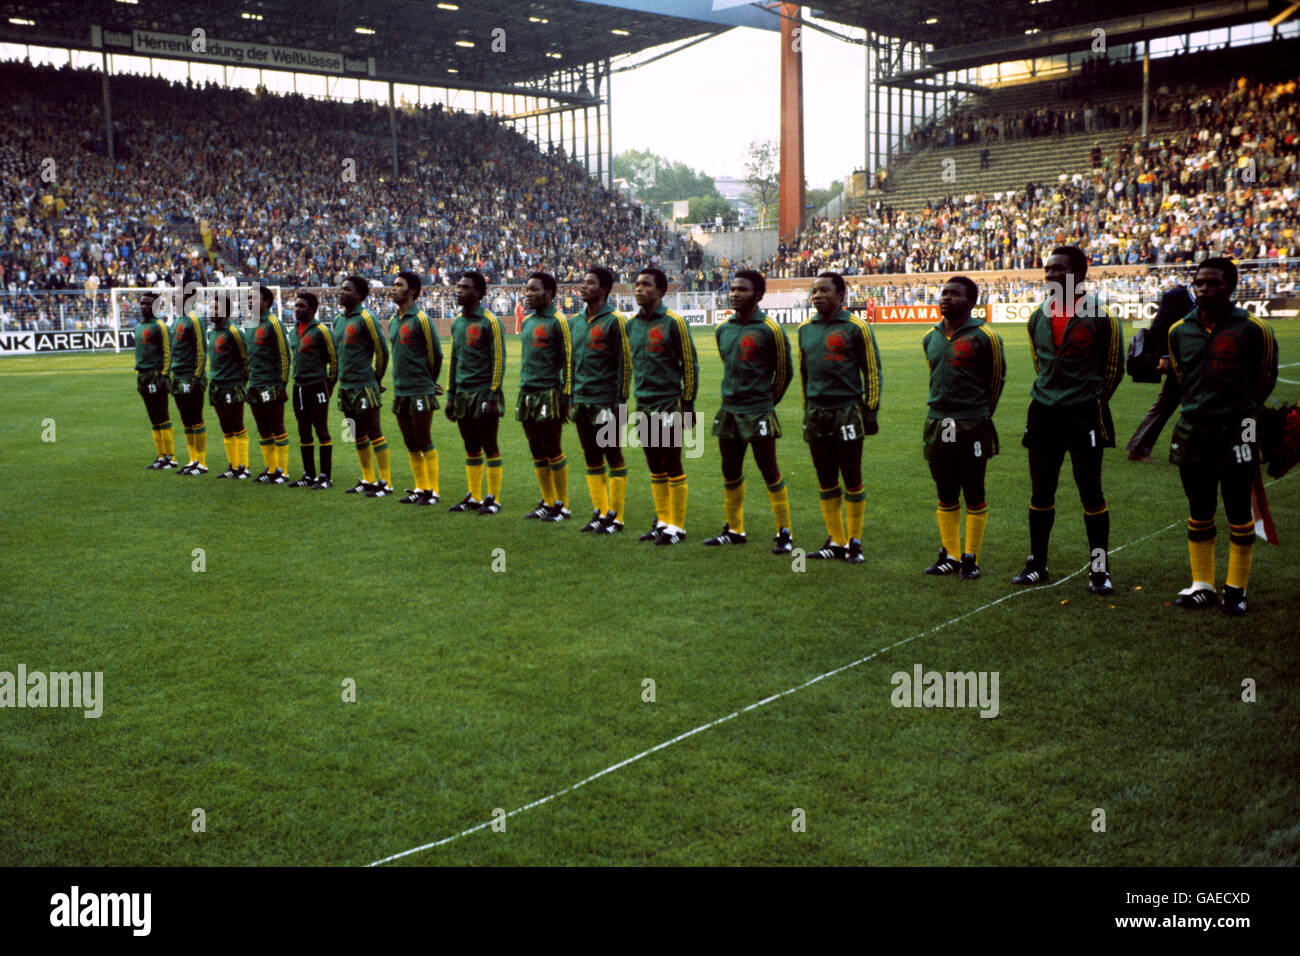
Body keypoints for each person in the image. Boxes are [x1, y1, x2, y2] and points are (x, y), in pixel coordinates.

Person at [1167, 257, 1278, 615]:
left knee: (1237, 508)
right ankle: (1202, 585)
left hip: (1239, 427)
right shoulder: (1179, 331)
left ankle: (1236, 589)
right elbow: (1181, 377)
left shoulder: (1253, 329)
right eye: (1199, 282)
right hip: (1193, 429)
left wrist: (1241, 413)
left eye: (1213, 283)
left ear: (1231, 287)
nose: (1204, 289)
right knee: (1199, 509)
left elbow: (1264, 379)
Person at [1013, 245, 1123, 594]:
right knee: (1041, 491)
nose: (1051, 276)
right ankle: (1037, 563)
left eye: (1058, 270)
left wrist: (1089, 398)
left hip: (1084, 413)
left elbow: (1112, 370)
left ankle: (1100, 569)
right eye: (1047, 271)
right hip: (1043, 412)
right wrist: (1053, 395)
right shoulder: (1037, 316)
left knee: (1091, 492)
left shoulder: (1102, 317)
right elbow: (1041, 365)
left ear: (1080, 273)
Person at [703, 269, 795, 554]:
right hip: (729, 409)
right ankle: (734, 529)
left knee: (769, 469)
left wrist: (767, 403)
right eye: (732, 289)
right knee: (730, 470)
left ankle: (784, 532)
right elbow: (728, 363)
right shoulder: (723, 329)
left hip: (758, 411)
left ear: (758, 294)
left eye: (742, 289)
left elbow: (785, 372)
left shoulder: (770, 329)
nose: (735, 293)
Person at [921, 276, 1006, 579]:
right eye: (943, 292)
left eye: (954, 294)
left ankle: (971, 557)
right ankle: (950, 556)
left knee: (973, 488)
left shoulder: (986, 336)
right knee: (945, 488)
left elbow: (996, 380)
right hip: (939, 421)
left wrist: (980, 414)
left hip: (972, 422)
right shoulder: (930, 337)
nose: (945, 298)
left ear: (970, 303)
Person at [797, 271, 881, 563]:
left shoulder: (856, 327)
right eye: (814, 291)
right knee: (826, 478)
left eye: (824, 290)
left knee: (852, 476)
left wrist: (870, 411)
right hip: (816, 412)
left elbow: (872, 370)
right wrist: (808, 406)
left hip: (846, 409)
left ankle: (854, 542)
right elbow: (804, 372)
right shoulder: (805, 328)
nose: (817, 295)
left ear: (840, 295)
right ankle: (835, 540)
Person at [626, 266, 699, 545]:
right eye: (636, 285)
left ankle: (677, 527)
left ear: (660, 291)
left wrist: (688, 405)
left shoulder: (673, 322)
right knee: (654, 464)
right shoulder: (631, 325)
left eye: (645, 285)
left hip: (669, 403)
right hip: (643, 403)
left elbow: (690, 366)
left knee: (672, 462)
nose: (638, 289)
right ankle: (663, 521)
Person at [569, 266, 632, 534]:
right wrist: (570, 396)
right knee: (591, 456)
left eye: (589, 283)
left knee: (613, 455)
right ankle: (600, 512)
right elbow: (571, 362)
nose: (583, 287)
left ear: (604, 290)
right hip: (582, 399)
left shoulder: (616, 320)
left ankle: (615, 517)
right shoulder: (575, 320)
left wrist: (621, 402)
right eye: (583, 283)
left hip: (606, 400)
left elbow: (625, 363)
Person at [445, 270, 506, 515]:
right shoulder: (457, 323)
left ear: (479, 293)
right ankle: (474, 496)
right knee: (470, 444)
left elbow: (498, 361)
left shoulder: (489, 321)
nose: (459, 290)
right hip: (462, 393)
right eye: (458, 286)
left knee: (489, 444)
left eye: (465, 287)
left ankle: (493, 498)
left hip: (483, 393)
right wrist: (450, 396)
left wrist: (493, 396)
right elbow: (454, 360)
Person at [517, 271, 573, 521]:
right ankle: (547, 501)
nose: (527, 294)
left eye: (533, 289)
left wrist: (566, 396)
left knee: (552, 447)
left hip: (549, 392)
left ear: (549, 294)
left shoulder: (559, 320)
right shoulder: (528, 321)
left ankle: (563, 505)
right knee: (536, 448)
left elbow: (570, 360)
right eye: (526, 289)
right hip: (527, 390)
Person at [336, 275, 394, 497]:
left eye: (347, 290)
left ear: (359, 295)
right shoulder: (339, 319)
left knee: (374, 431)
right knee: (355, 433)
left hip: (364, 385)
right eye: (341, 289)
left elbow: (382, 350)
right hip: (346, 387)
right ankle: (368, 478)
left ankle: (386, 482)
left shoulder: (366, 317)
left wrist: (376, 379)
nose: (341, 292)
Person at [388, 271, 443, 505]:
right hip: (400, 389)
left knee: (423, 438)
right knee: (409, 441)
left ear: (411, 291)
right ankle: (420, 488)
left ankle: (433, 491)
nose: (393, 288)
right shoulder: (392, 321)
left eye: (398, 285)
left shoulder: (421, 319)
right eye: (393, 284)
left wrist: (429, 381)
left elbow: (435, 354)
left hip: (420, 388)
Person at [1126, 284, 1196, 461]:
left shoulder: (1197, 297)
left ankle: (1140, 448)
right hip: (1180, 359)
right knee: (1170, 402)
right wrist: (1165, 355)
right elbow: (1159, 326)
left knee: (1170, 403)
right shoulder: (1177, 295)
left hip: (1196, 357)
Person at [287, 291, 338, 489]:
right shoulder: (293, 331)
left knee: (321, 430)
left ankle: (325, 476)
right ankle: (309, 475)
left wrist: (328, 387)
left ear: (313, 309)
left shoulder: (322, 331)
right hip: (298, 386)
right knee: (303, 430)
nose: (297, 310)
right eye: (296, 306)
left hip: (317, 385)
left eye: (302, 306)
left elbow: (334, 361)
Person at [246, 286, 291, 484]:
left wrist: (282, 384)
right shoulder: (250, 324)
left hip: (271, 384)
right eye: (247, 298)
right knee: (262, 428)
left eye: (253, 298)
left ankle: (283, 471)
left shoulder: (274, 324)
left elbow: (284, 356)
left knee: (277, 426)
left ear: (266, 302)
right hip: (255, 383)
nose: (249, 301)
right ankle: (271, 468)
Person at [134, 291, 176, 470]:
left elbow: (168, 352)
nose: (143, 306)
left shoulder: (161, 326)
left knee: (162, 416)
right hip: (142, 376)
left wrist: (164, 376)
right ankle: (161, 456)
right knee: (153, 418)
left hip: (155, 376)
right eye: (142, 303)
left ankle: (171, 457)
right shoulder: (139, 327)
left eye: (147, 303)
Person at [208, 304, 250, 479]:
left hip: (232, 385)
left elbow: (246, 358)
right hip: (216, 385)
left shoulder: (234, 332)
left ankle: (244, 467)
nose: (212, 312)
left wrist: (241, 382)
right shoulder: (212, 332)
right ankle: (233, 466)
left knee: (237, 425)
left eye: (216, 308)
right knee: (225, 427)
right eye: (211, 308)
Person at [168, 299, 208, 475]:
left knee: (196, 418)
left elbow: (201, 350)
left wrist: (197, 377)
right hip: (177, 376)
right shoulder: (177, 320)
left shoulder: (194, 319)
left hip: (190, 376)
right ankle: (192, 460)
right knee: (186, 420)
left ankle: (202, 462)